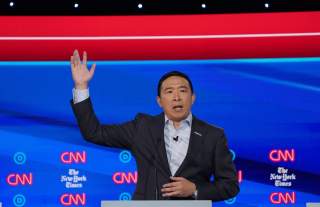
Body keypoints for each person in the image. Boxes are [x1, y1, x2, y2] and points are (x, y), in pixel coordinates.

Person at [70, 50, 239, 201]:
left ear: (192, 98)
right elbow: (94, 132)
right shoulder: (142, 128)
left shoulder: (213, 135)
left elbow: (230, 186)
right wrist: (81, 86)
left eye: (183, 90)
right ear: (159, 101)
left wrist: (195, 189)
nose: (176, 97)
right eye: (169, 91)